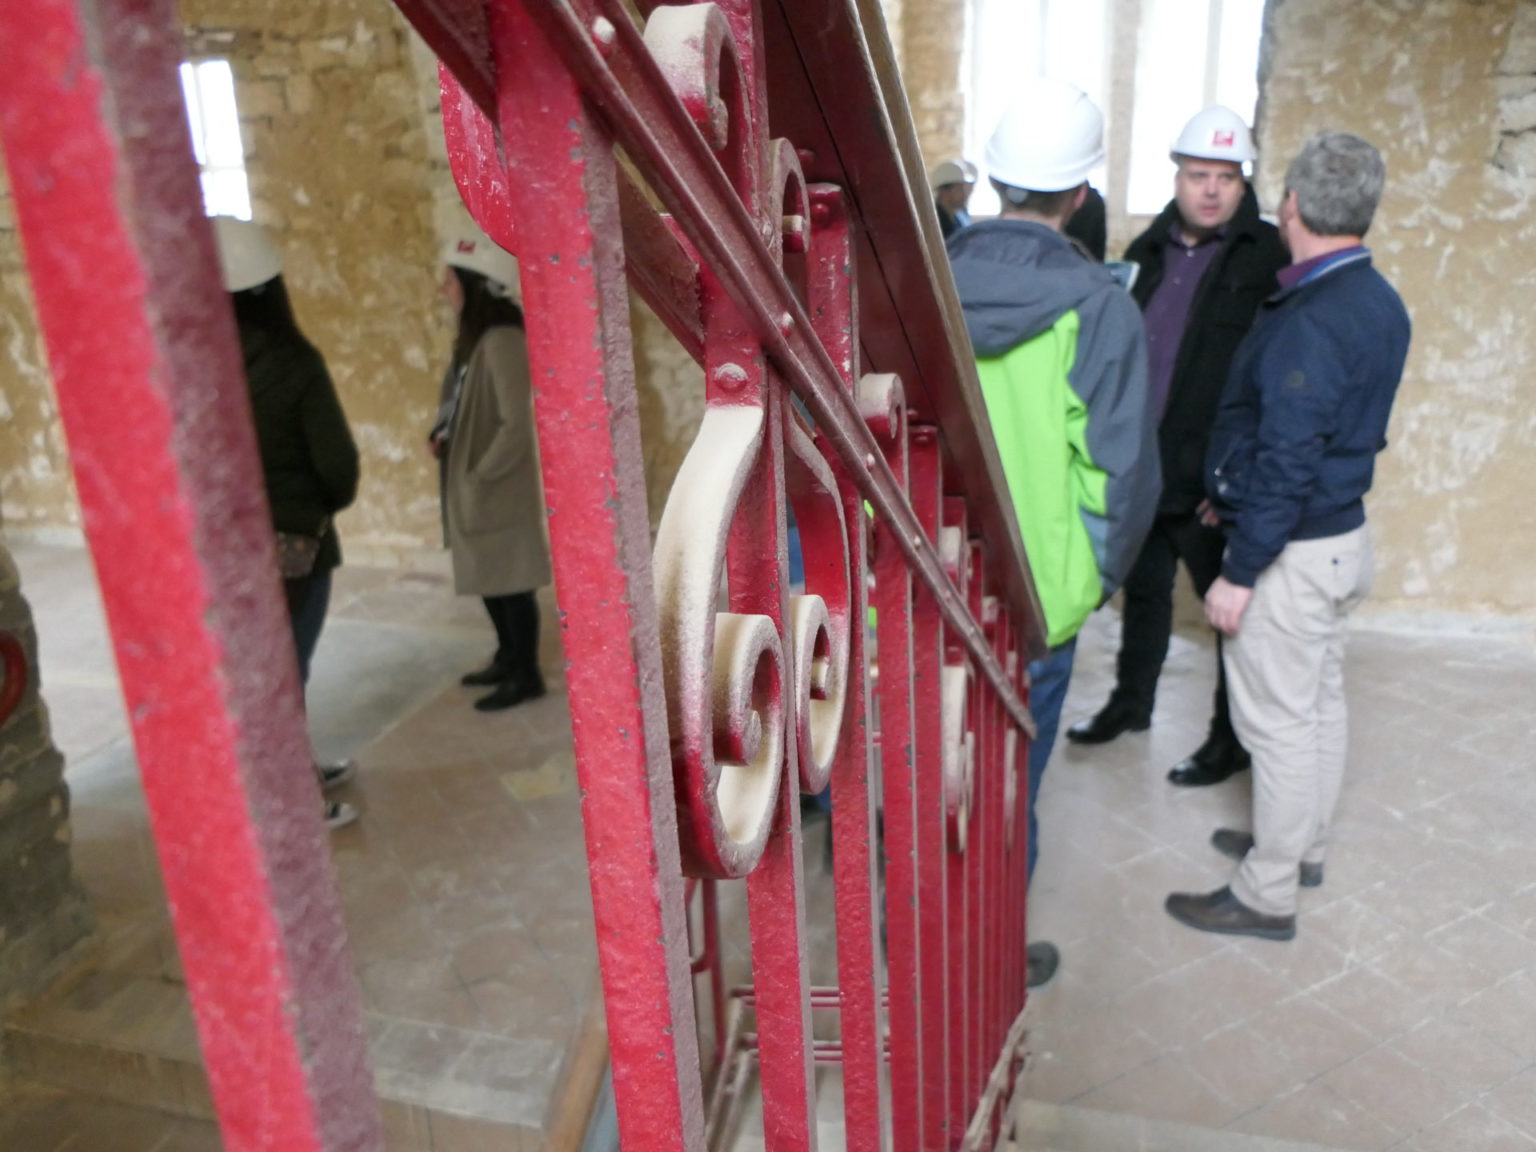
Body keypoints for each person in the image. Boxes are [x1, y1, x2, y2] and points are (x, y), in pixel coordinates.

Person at [1165, 131, 1411, 940]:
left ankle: (1268, 893)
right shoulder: (1376, 297)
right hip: (1341, 539)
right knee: (1318, 706)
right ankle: (1300, 846)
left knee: (1278, 727)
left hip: (1293, 554)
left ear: (1292, 204)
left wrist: (1240, 571)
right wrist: (1228, 497)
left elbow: (1290, 455)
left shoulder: (1314, 314)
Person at [947, 79, 1160, 986]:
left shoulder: (913, 285)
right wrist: (1084, 589)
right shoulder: (1099, 308)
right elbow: (1119, 478)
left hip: (913, 589)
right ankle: (987, 967)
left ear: (994, 180)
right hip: (1033, 607)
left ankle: (914, 952)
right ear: (1079, 193)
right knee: (1007, 791)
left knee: (917, 787)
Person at [1066, 106, 1288, 791]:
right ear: (1178, 177)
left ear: (1243, 182)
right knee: (1145, 595)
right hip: (1145, 465)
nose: (1212, 190)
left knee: (1230, 617)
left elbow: (1277, 379)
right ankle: (1131, 704)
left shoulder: (1267, 257)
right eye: (1199, 175)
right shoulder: (1146, 253)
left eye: (1227, 177)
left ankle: (1229, 739)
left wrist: (1239, 479)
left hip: (1212, 480)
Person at [212, 216, 361, 831]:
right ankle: (294, 799)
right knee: (287, 672)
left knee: (261, 672)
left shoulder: (202, 371)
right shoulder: (295, 364)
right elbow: (338, 469)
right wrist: (313, 507)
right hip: (296, 550)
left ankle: (294, 773)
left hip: (228, 551)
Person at [432, 224, 551, 712]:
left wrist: (478, 475)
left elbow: (515, 425)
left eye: (450, 279)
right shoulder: (477, 338)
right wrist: (441, 433)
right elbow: (460, 399)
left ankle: (526, 674)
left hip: (494, 484)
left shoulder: (501, 339)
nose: (443, 289)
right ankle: (507, 657)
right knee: (490, 577)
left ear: (474, 283)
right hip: (477, 480)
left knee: (512, 584)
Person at [930, 159, 976, 238]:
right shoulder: (934, 221)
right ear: (944, 191)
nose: (964, 193)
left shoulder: (961, 214)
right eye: (959, 188)